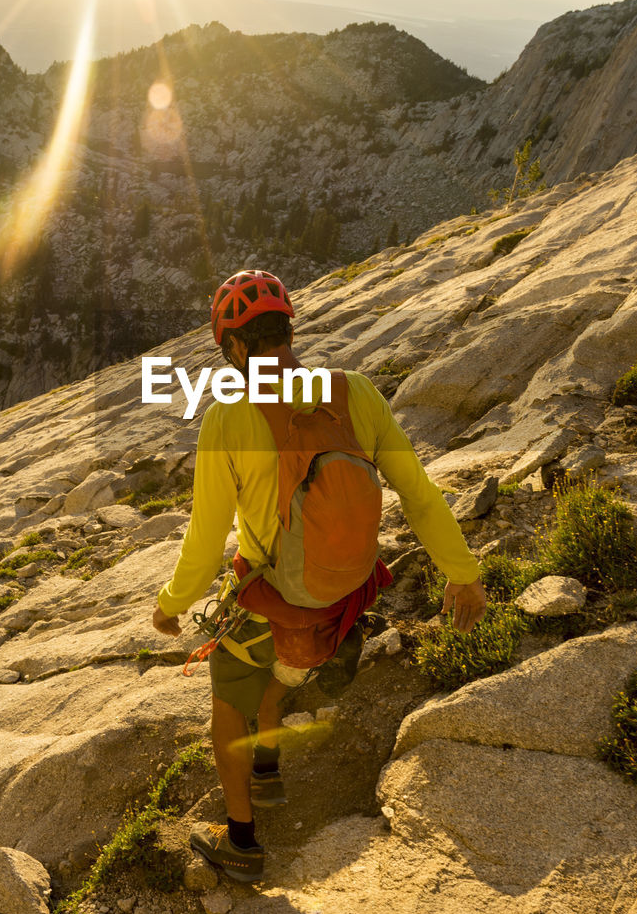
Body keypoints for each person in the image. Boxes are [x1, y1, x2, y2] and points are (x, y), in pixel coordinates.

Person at [152, 269, 486, 883]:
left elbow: (203, 545)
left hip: (282, 593)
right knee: (279, 661)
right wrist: (462, 573)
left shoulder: (228, 418)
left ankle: (241, 844)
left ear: (232, 348)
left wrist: (170, 605)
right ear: (289, 332)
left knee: (228, 695)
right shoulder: (354, 391)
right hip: (349, 591)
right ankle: (270, 772)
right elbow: (418, 493)